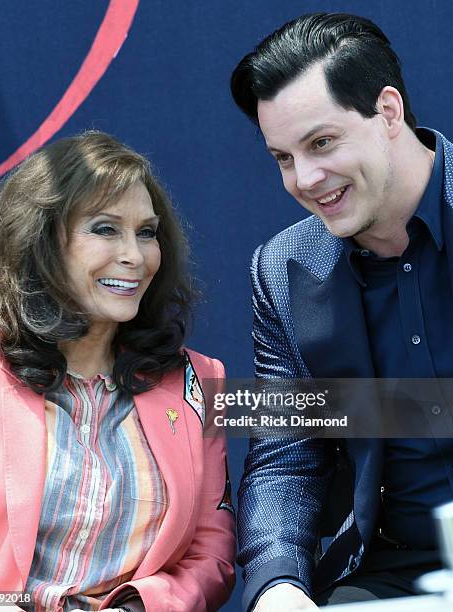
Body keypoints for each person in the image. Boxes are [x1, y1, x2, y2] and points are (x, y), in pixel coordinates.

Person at [230, 11, 453, 612]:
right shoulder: (280, 271)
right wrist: (278, 585)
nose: (305, 179)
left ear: (387, 111)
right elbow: (285, 453)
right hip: (393, 571)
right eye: (282, 157)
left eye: (321, 143)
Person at [0, 131, 235, 611]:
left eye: (147, 232)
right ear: (42, 239)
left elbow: (210, 557)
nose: (135, 255)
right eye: (106, 229)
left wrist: (141, 608)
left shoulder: (199, 381)